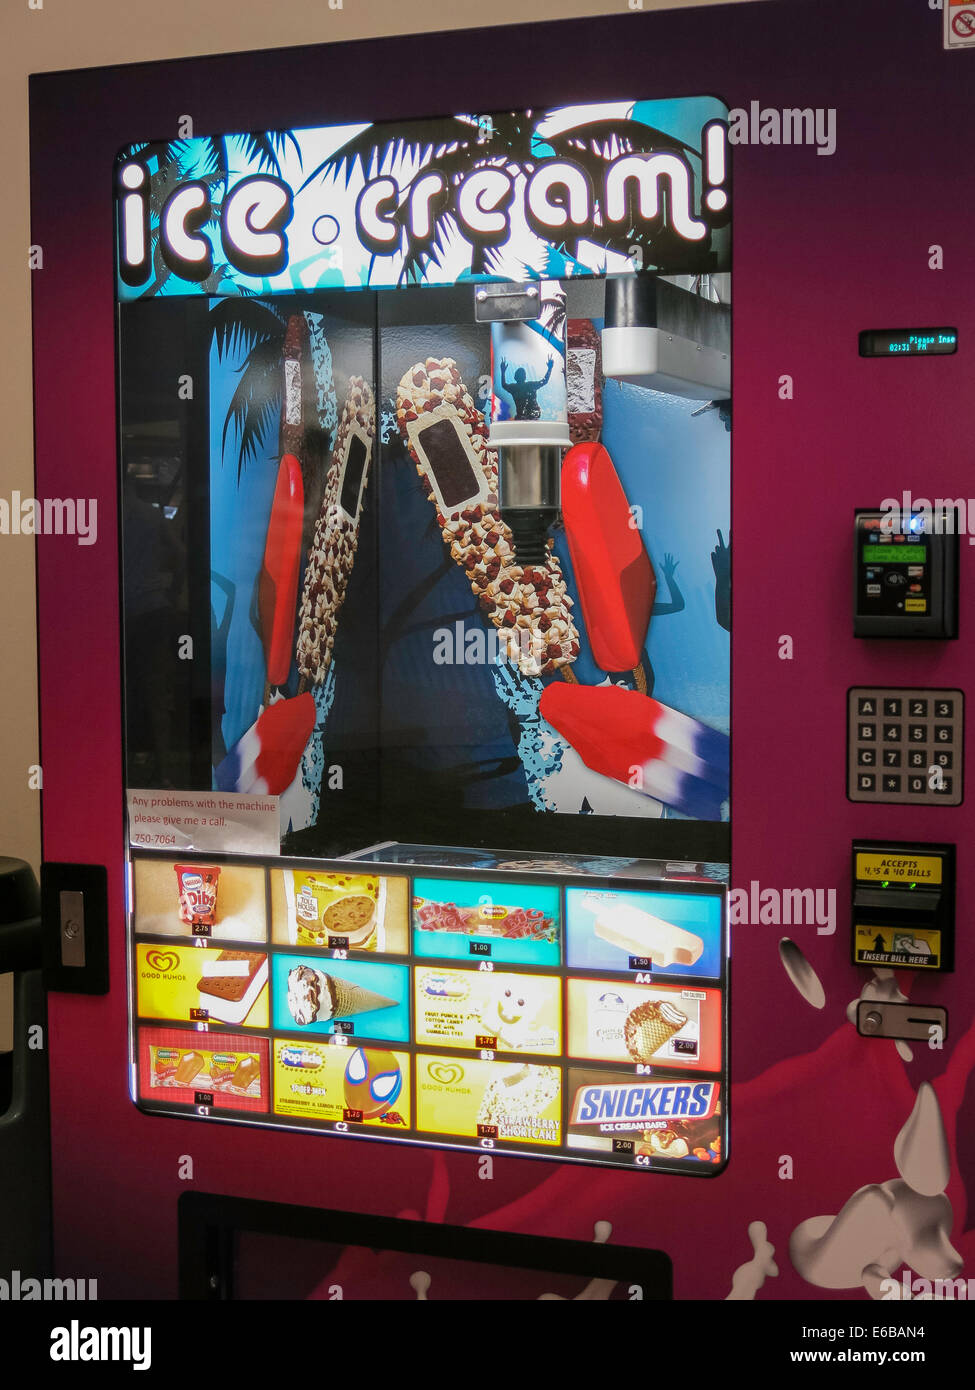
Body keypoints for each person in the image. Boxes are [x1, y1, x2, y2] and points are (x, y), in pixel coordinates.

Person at [499, 356, 553, 421]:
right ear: (525, 377)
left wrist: (503, 372)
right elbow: (544, 381)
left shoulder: (514, 388)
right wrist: (550, 368)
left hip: (530, 415)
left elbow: (504, 385)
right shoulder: (528, 385)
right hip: (529, 415)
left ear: (515, 377)